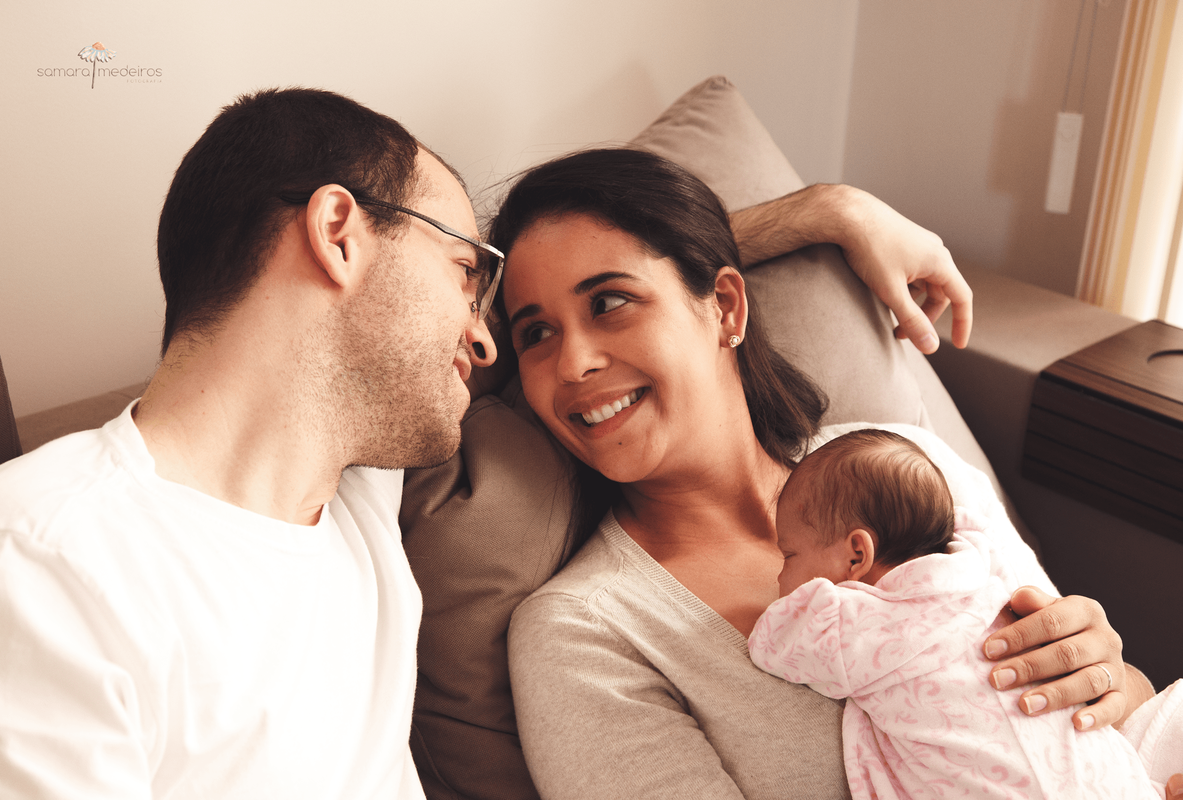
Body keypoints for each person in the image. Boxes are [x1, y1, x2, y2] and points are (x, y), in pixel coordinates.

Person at [0, 87, 1009, 797]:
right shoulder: (42, 562)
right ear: (340, 234)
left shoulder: (361, 497)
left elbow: (642, 277)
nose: (484, 339)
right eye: (468, 269)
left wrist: (831, 209)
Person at [496, 148, 1160, 800]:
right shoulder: (583, 635)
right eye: (535, 334)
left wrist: (1111, 672)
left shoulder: (906, 466)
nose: (573, 362)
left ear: (725, 308)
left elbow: (1101, 704)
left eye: (609, 303)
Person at [748, 428, 1164, 798]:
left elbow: (771, 644)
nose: (779, 574)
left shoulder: (856, 624)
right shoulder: (977, 563)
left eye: (789, 555)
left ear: (857, 554)